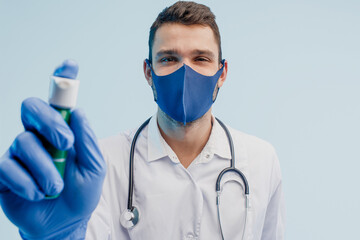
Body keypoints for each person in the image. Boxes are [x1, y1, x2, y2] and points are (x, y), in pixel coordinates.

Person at [0, 1, 284, 239]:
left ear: (222, 73)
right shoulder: (102, 164)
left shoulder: (261, 159)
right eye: (169, 59)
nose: (185, 73)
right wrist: (57, 236)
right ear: (148, 72)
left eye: (200, 59)